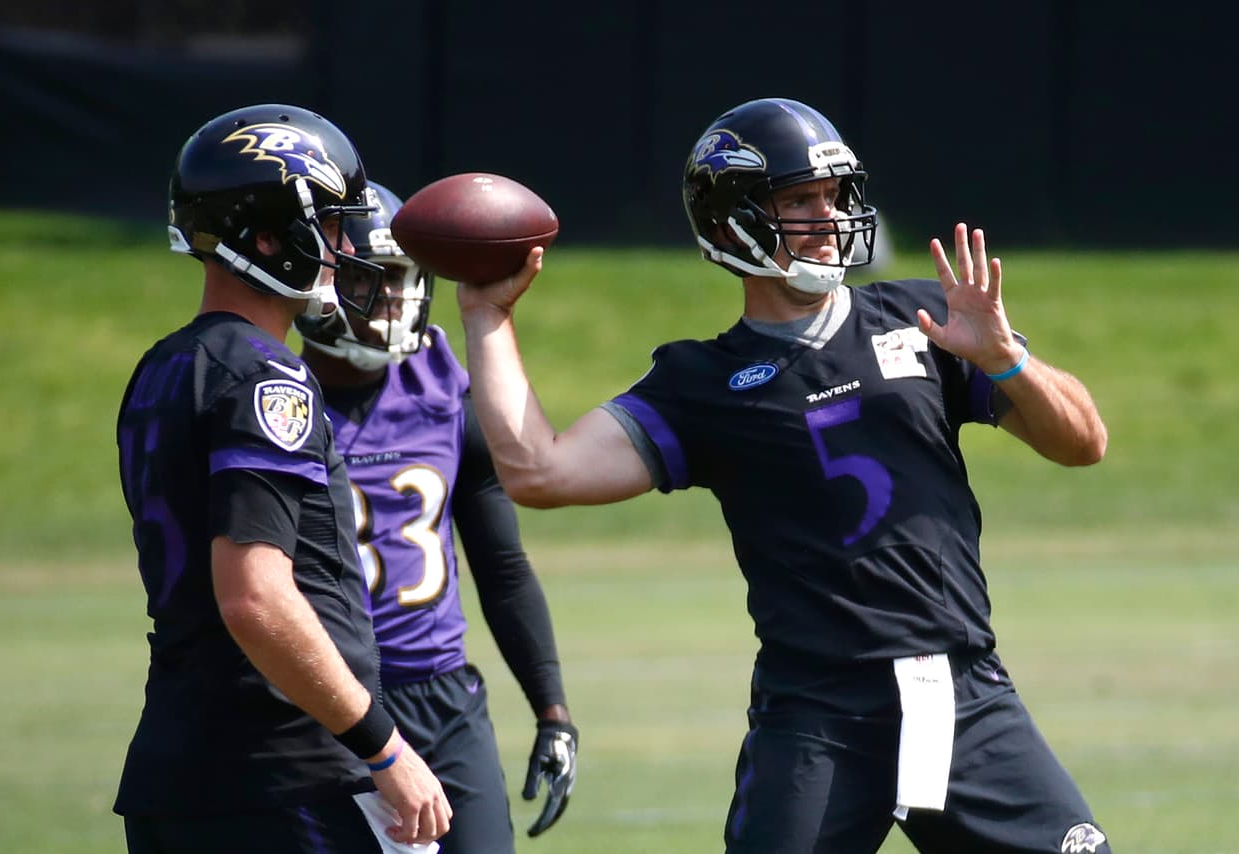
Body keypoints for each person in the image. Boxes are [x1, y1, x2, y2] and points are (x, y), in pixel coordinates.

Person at [453, 97, 1113, 854]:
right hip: (819, 713)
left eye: (834, 196)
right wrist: (487, 317)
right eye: (801, 200)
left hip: (958, 692)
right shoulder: (701, 380)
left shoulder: (925, 320)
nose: (829, 217)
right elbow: (541, 471)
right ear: (734, 222)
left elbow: (1083, 443)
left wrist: (1006, 360)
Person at [114, 103, 452, 853]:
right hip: (281, 772)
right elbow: (256, 597)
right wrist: (384, 747)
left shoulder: (164, 367)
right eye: (330, 225)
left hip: (178, 765)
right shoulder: (269, 376)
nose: (347, 246)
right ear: (267, 236)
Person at [294, 180, 579, 853]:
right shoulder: (277, 402)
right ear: (319, 288)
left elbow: (501, 565)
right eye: (377, 281)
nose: (397, 299)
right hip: (327, 704)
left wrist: (553, 711)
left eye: (407, 280)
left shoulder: (442, 384)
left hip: (446, 702)